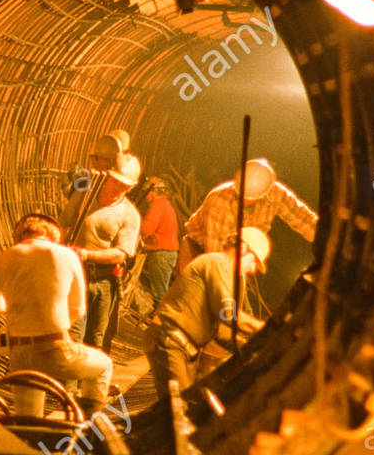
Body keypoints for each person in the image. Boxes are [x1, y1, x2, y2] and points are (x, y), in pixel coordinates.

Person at [0, 213, 113, 419]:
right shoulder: (66, 255)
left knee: (28, 417)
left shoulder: (4, 256)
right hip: (54, 346)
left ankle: (31, 440)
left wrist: (18, 312)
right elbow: (78, 308)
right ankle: (90, 425)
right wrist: (57, 323)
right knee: (104, 366)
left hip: (19, 350)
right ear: (53, 233)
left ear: (20, 234)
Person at [148, 227, 269, 396]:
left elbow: (222, 331)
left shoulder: (231, 278)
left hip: (181, 347)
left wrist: (249, 349)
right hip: (170, 339)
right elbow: (227, 313)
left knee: (182, 408)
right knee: (179, 410)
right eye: (254, 261)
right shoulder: (217, 263)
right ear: (243, 248)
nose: (253, 269)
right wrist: (267, 329)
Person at [179, 158, 316, 270]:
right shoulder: (219, 201)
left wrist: (329, 244)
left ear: (264, 194)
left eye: (249, 200)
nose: (243, 201)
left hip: (234, 256)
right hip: (197, 252)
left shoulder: (277, 195)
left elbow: (305, 220)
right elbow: (215, 257)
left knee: (231, 301)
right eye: (240, 196)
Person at [60, 165, 140, 351]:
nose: (117, 188)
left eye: (124, 186)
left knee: (96, 340)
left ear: (132, 187)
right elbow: (63, 225)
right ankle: (67, 381)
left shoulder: (130, 214)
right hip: (75, 278)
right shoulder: (84, 196)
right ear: (107, 176)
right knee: (72, 339)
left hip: (104, 283)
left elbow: (122, 253)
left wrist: (87, 255)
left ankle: (88, 379)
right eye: (115, 181)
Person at [139, 177, 179, 308]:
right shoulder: (165, 204)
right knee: (160, 291)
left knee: (159, 294)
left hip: (161, 254)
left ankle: (160, 322)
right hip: (167, 253)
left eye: (147, 192)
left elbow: (146, 230)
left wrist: (133, 220)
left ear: (155, 191)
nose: (145, 196)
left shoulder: (157, 206)